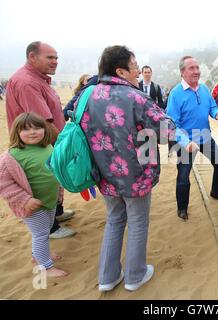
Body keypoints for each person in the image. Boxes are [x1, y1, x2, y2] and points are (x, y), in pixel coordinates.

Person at [81, 45, 179, 292]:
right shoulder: (135, 97)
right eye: (134, 66)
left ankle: (107, 277)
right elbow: (166, 132)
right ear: (121, 71)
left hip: (104, 173)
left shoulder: (88, 95)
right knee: (137, 222)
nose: (137, 71)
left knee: (114, 220)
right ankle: (135, 275)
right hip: (135, 175)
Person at [5, 41, 76, 239]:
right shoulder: (27, 82)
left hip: (43, 144)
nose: (55, 62)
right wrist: (65, 144)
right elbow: (43, 122)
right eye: (50, 57)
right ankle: (50, 227)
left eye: (56, 58)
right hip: (36, 146)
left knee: (53, 179)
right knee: (42, 182)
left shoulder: (37, 79)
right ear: (32, 57)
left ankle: (57, 213)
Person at [0, 112, 69, 277]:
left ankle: (37, 255)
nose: (33, 132)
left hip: (50, 201)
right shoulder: (11, 156)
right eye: (26, 129)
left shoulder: (47, 147)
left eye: (37, 127)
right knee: (41, 234)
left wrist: (59, 192)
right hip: (32, 206)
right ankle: (45, 266)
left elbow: (54, 171)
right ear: (16, 132)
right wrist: (25, 200)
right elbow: (5, 184)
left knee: (45, 229)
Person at [166, 56, 218, 220]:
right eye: (191, 68)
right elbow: (172, 124)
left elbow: (212, 106)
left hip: (206, 138)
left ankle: (216, 192)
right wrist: (186, 142)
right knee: (183, 177)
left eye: (197, 67)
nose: (196, 71)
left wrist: (217, 114)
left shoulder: (204, 89)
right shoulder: (176, 94)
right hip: (187, 143)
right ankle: (182, 208)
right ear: (182, 72)